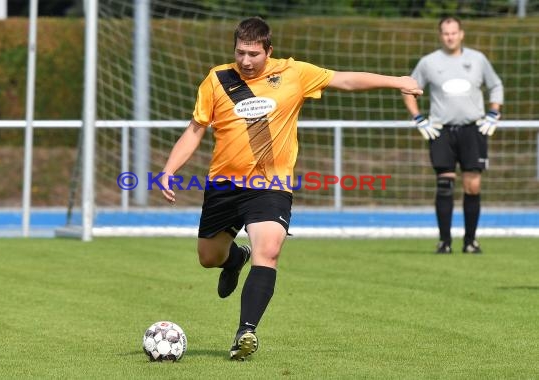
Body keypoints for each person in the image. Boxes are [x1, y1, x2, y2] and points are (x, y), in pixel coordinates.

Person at [160, 16, 422, 360]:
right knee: (209, 258)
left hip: (271, 186)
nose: (245, 61)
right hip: (223, 185)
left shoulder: (293, 73)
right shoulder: (218, 79)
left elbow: (344, 80)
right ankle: (235, 258)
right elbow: (195, 129)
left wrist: (396, 81)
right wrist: (168, 169)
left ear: (269, 50)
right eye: (240, 52)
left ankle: (245, 332)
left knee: (268, 251)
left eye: (253, 54)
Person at [402, 16, 504, 255]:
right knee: (445, 185)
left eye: (454, 32)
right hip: (442, 131)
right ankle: (444, 241)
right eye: (445, 33)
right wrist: (418, 118)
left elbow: (496, 85)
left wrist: (493, 112)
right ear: (441, 36)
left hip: (473, 129)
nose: (450, 37)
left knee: (473, 186)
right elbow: (409, 89)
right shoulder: (428, 62)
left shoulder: (477, 59)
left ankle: (470, 241)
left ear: (462, 34)